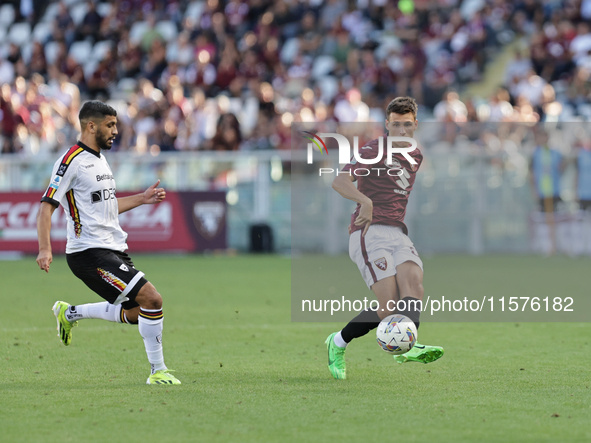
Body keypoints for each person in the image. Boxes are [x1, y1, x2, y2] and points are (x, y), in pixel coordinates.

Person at [36, 101, 180, 385]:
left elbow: (107, 204)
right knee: (153, 299)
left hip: (114, 249)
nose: (115, 131)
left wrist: (142, 198)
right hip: (88, 252)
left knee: (142, 312)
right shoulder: (70, 161)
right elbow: (46, 207)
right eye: (110, 125)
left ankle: (70, 313)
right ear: (91, 126)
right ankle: (157, 371)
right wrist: (44, 248)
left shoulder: (100, 159)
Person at [325, 96, 444, 380]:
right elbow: (339, 181)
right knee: (388, 306)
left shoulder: (416, 155)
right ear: (387, 125)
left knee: (414, 285)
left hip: (397, 231)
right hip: (369, 231)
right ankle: (337, 342)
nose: (401, 131)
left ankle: (407, 345)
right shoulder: (373, 148)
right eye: (395, 125)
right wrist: (364, 202)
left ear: (415, 125)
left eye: (407, 125)